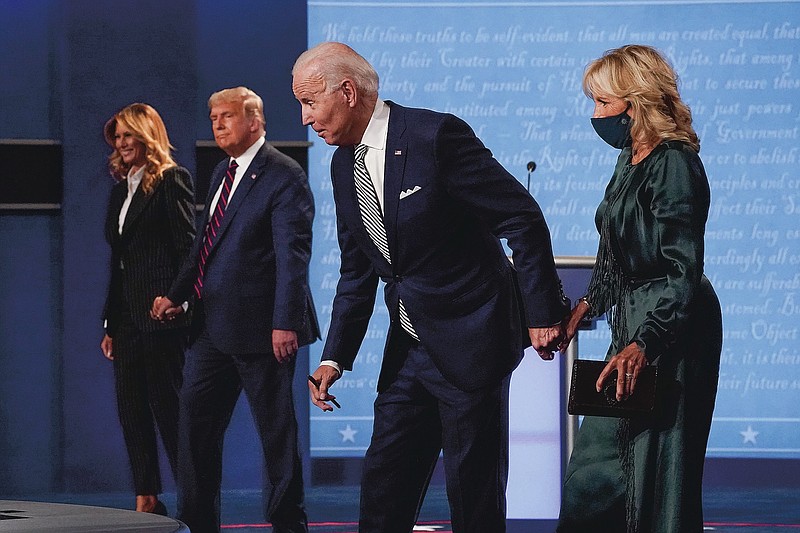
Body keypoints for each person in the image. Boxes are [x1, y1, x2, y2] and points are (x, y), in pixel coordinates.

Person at [292, 42, 569, 533]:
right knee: (383, 486)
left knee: (473, 495)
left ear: (348, 92)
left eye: (310, 102)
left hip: (472, 340)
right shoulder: (341, 166)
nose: (304, 117)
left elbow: (521, 218)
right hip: (409, 348)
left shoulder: (435, 135)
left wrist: (541, 313)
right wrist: (335, 357)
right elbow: (358, 270)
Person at [556, 45, 723, 532]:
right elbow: (614, 254)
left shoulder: (673, 163)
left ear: (636, 102)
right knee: (594, 474)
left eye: (603, 103)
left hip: (672, 329)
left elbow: (683, 269)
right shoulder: (629, 159)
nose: (595, 115)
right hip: (632, 323)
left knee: (657, 468)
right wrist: (583, 308)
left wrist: (644, 344)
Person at [151, 87, 319, 533]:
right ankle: (197, 523)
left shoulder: (284, 176)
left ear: (255, 121)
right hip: (211, 328)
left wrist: (285, 322)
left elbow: (292, 258)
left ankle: (288, 523)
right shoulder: (221, 174)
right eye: (212, 117)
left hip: (265, 331)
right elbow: (204, 249)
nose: (217, 124)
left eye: (226, 116)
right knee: (195, 430)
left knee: (275, 436)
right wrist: (176, 294)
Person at [100, 103, 196, 515]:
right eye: (117, 137)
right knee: (131, 411)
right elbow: (119, 264)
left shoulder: (172, 180)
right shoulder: (120, 190)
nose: (121, 144)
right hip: (126, 322)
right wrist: (110, 323)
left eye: (128, 135)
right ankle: (147, 498)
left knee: (168, 411)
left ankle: (194, 498)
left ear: (146, 136)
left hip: (161, 317)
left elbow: (188, 249)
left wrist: (178, 298)